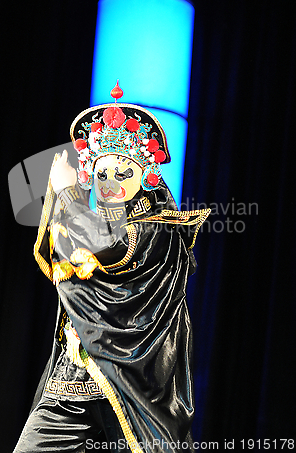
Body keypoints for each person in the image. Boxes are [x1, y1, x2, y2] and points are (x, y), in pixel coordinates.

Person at [13, 83, 210, 453]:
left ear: (145, 177)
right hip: (72, 382)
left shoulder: (158, 230)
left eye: (123, 173)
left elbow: (107, 245)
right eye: (102, 174)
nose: (111, 184)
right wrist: (64, 196)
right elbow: (67, 252)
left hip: (133, 383)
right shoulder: (83, 222)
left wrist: (68, 193)